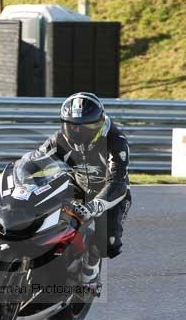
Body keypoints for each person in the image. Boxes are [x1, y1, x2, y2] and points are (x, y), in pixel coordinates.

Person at [24, 92, 131, 283]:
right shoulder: (59, 139)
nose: (78, 131)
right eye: (72, 125)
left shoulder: (115, 140)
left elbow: (117, 182)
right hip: (76, 186)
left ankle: (90, 267)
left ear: (99, 123)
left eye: (85, 126)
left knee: (108, 244)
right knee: (40, 211)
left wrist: (96, 205)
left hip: (109, 194)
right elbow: (32, 161)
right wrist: (16, 177)